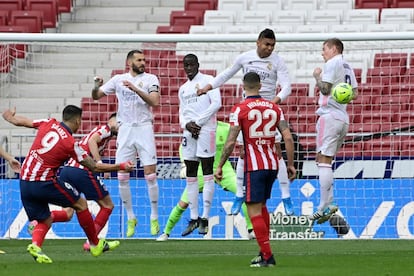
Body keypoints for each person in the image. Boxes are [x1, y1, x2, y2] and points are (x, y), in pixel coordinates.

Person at [2, 105, 134, 264]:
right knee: (81, 204)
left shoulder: (48, 122)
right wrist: (120, 166)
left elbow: (21, 121)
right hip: (43, 181)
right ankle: (95, 244)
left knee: (45, 220)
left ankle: (36, 246)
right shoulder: (71, 143)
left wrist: (9, 116)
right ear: (78, 120)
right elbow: (94, 167)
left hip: (24, 181)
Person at [197, 28, 294, 217]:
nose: (269, 49)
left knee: (277, 152)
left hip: (267, 111)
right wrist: (209, 87)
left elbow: (287, 87)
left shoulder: (277, 61)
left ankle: (286, 197)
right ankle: (239, 195)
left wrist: (272, 103)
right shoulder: (245, 58)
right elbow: (226, 74)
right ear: (258, 42)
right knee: (243, 153)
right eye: (267, 45)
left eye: (272, 46)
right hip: (249, 111)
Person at [215, 72, 296, 268]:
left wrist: (220, 165)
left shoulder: (239, 109)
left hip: (254, 166)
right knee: (262, 207)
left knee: (253, 209)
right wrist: (291, 164)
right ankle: (263, 251)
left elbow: (231, 141)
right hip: (272, 164)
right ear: (260, 86)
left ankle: (268, 256)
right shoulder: (275, 108)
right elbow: (287, 137)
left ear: (243, 86)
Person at [92, 49, 161, 237]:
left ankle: (154, 217)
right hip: (126, 130)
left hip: (144, 128)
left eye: (144, 60)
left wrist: (136, 89)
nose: (143, 63)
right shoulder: (117, 79)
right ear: (129, 62)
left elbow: (155, 102)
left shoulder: (151, 79)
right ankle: (131, 217)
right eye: (139, 60)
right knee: (122, 175)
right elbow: (96, 96)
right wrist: (96, 85)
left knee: (150, 175)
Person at [156, 121, 255, 241]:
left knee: (242, 194)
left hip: (223, 168)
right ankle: (166, 232)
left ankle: (251, 230)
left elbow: (241, 140)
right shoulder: (196, 128)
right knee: (183, 203)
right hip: (201, 171)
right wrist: (184, 164)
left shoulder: (226, 128)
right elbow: (183, 146)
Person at [310, 38, 358, 224]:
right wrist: (342, 94)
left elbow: (325, 89)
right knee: (325, 161)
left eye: (324, 49)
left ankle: (323, 206)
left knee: (323, 160)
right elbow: (354, 93)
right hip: (343, 119)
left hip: (329, 115)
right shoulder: (347, 66)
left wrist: (316, 76)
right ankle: (329, 203)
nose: (323, 53)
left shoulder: (332, 63)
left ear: (334, 48)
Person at [59, 112, 119, 250]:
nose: (120, 125)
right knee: (107, 205)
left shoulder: (106, 135)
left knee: (68, 213)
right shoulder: (105, 129)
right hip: (82, 170)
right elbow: (92, 140)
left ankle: (38, 222)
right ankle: (92, 242)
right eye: (118, 121)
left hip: (68, 170)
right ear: (111, 121)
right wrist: (99, 163)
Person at [177, 54, 222, 236]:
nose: (188, 68)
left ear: (198, 65)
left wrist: (198, 122)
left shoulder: (209, 81)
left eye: (191, 64)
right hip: (189, 131)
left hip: (205, 129)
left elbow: (216, 104)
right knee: (191, 172)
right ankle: (194, 218)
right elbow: (181, 112)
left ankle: (205, 217)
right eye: (185, 65)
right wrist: (186, 125)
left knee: (207, 170)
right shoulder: (183, 89)